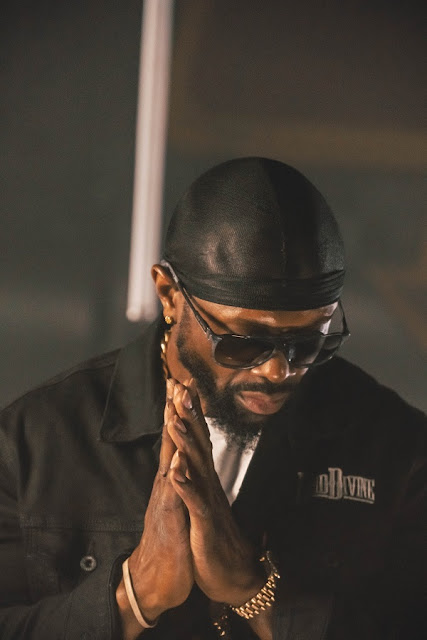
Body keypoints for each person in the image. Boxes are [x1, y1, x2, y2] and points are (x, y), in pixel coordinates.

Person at [0, 157, 425, 640]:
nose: (278, 370)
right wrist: (136, 594)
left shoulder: (400, 451)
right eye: (243, 342)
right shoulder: (31, 444)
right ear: (169, 294)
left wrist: (254, 590)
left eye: (310, 342)